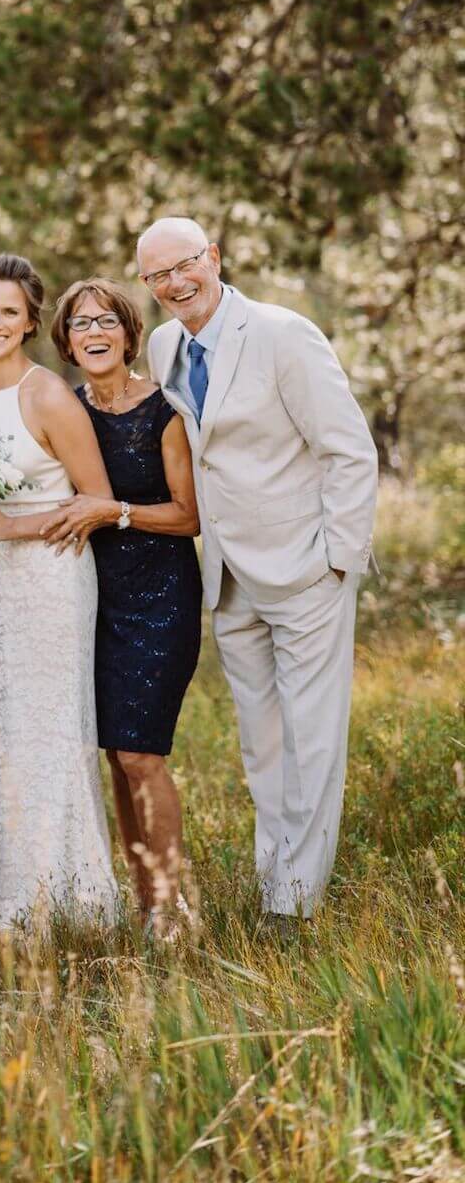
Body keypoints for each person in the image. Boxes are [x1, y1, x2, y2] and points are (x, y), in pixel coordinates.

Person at [139, 216, 378, 928]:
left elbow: (349, 450)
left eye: (186, 264)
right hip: (229, 576)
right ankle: (276, 874)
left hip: (306, 569)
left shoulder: (282, 333)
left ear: (213, 257)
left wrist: (337, 559)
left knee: (312, 736)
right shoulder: (162, 345)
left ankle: (297, 905)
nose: (176, 283)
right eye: (158, 276)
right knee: (262, 741)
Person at [0, 255, 122, 935]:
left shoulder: (49, 396)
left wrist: (18, 524)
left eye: (10, 311)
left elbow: (99, 499)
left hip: (52, 578)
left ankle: (57, 896)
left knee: (47, 727)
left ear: (32, 321)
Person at [42, 277, 202, 936]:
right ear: (67, 341)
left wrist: (119, 511)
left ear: (130, 333)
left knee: (142, 753)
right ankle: (145, 898)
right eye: (81, 323)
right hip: (89, 599)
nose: (95, 332)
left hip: (159, 592)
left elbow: (190, 514)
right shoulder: (66, 409)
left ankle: (172, 902)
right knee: (114, 751)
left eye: (107, 320)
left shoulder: (163, 410)